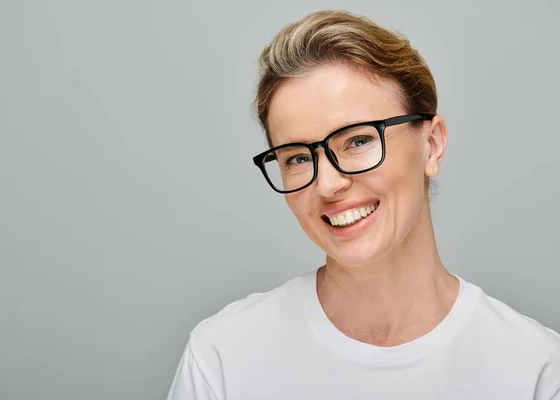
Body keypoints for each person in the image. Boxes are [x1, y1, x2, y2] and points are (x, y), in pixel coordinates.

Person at [167, 10, 560, 399]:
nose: (328, 184)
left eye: (358, 141)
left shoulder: (536, 371)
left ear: (432, 145)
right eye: (298, 158)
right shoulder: (223, 359)